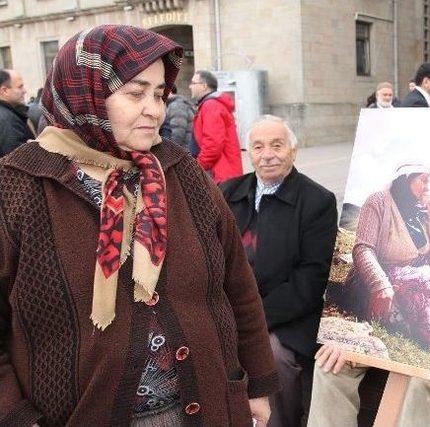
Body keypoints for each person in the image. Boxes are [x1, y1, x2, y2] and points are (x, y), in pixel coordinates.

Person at [0, 25, 279, 426]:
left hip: (208, 409)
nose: (155, 108)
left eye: (159, 93)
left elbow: (237, 285)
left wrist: (257, 385)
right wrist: (15, 417)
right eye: (135, 93)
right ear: (87, 93)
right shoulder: (16, 188)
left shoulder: (182, 172)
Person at [220, 115, 337, 427]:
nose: (267, 154)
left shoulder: (317, 201)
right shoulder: (227, 192)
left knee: (273, 356)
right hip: (231, 310)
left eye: (276, 145)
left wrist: (254, 318)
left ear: (293, 151)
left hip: (287, 317)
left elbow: (312, 278)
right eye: (258, 147)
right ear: (249, 153)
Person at [345, 163, 430, 349]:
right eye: (423, 180)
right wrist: (379, 284)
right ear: (406, 179)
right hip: (385, 273)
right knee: (420, 281)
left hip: (417, 269)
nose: (427, 187)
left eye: (429, 181)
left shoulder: (419, 210)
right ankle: (413, 326)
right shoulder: (378, 201)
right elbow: (363, 249)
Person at [308, 343, 430, 427]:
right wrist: (340, 338)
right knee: (330, 363)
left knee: (420, 383)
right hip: (369, 327)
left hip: (429, 347)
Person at [190, 70, 242, 183]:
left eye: (193, 83)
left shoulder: (211, 106)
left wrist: (197, 167)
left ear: (204, 86)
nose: (190, 86)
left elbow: (213, 144)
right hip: (221, 174)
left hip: (221, 175)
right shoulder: (210, 105)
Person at [0, 68, 34, 156]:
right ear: (5, 91)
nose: (24, 91)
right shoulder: (7, 120)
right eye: (20, 87)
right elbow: (17, 162)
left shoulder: (8, 114)